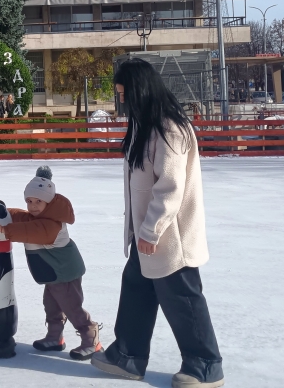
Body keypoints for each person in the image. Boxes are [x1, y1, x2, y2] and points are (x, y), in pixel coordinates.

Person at [91, 59, 224, 388]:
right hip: (147, 234)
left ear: (141, 91)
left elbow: (170, 188)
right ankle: (128, 355)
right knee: (136, 287)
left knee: (182, 296)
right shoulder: (144, 123)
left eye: (125, 95)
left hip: (169, 237)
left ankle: (205, 365)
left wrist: (150, 230)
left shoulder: (169, 129)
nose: (122, 102)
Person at [0, 166, 102, 360]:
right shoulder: (38, 216)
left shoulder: (51, 224)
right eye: (29, 201)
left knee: (71, 307)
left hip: (65, 272)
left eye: (38, 201)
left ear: (48, 202)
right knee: (52, 305)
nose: (32, 206)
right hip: (53, 273)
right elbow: (23, 217)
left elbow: (29, 230)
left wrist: (4, 229)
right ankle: (54, 337)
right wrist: (4, 212)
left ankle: (91, 339)